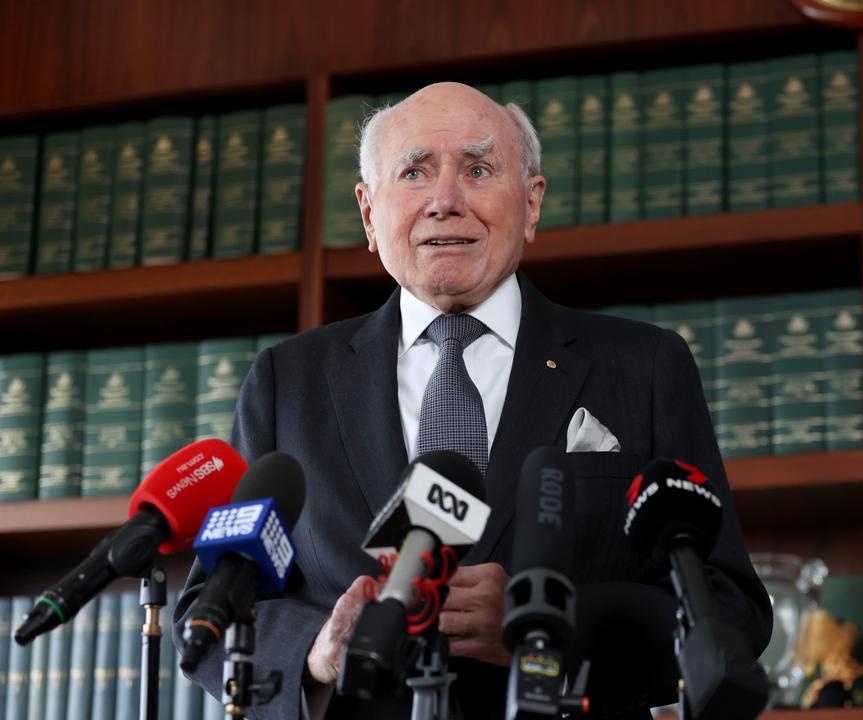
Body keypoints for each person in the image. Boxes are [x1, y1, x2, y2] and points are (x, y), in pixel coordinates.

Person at [174, 82, 771, 718]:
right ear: (369, 213)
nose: (445, 202)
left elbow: (729, 607)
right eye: (414, 172)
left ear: (533, 203)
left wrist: (545, 622)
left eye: (479, 169)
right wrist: (317, 650)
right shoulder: (284, 381)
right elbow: (210, 614)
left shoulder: (645, 366)